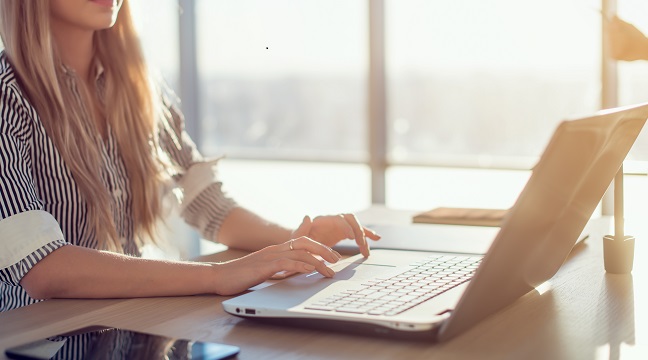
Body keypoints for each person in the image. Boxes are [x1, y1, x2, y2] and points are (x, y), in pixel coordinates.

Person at [0, 0, 380, 356]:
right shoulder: (7, 96)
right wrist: (218, 275)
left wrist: (296, 243)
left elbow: (207, 205)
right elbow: (43, 269)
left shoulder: (136, 85)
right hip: (40, 339)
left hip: (128, 328)